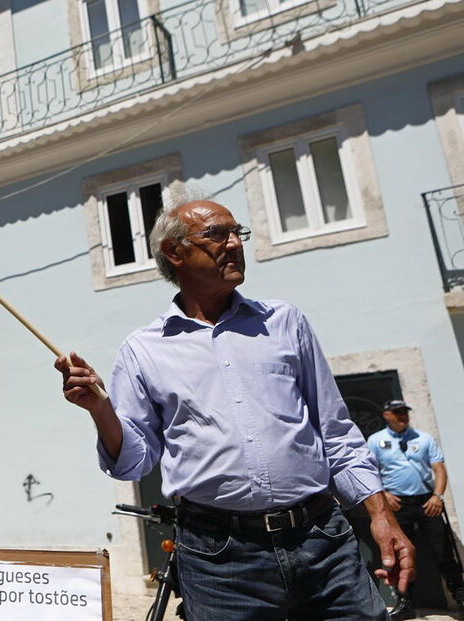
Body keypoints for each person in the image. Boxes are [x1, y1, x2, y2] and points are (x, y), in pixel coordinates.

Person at [55, 191, 414, 619]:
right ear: (175, 252)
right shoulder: (142, 350)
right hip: (219, 561)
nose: (235, 243)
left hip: (322, 541)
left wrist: (380, 515)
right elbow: (132, 463)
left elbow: (335, 431)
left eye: (237, 232)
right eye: (217, 234)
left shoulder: (285, 322)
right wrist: (100, 410)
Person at [367, 400, 464, 609]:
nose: (403, 415)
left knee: (444, 550)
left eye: (405, 412)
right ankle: (405, 602)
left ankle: (460, 596)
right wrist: (384, 495)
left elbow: (439, 469)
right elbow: (369, 472)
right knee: (401, 554)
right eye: (397, 412)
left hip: (427, 503)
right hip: (397, 505)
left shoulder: (424, 438)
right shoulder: (375, 440)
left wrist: (438, 496)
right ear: (386, 415)